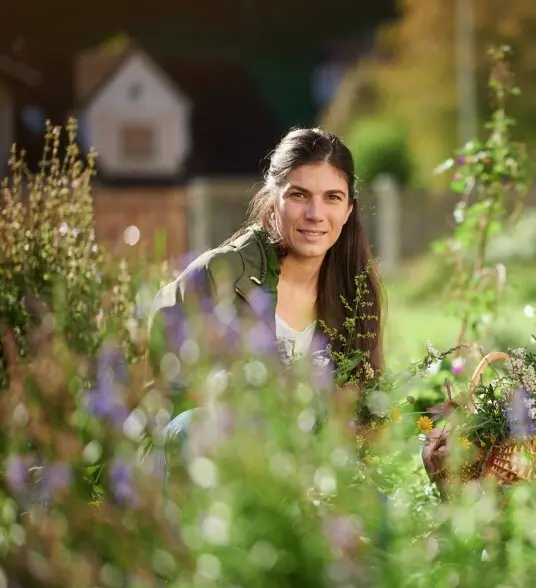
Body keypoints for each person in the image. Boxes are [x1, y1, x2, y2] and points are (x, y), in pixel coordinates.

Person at [144, 127, 384, 473]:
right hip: (210, 469)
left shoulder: (355, 292)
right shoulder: (222, 274)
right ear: (274, 199)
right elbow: (164, 398)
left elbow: (363, 411)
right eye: (299, 195)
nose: (315, 214)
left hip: (303, 470)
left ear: (348, 210)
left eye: (332, 197)